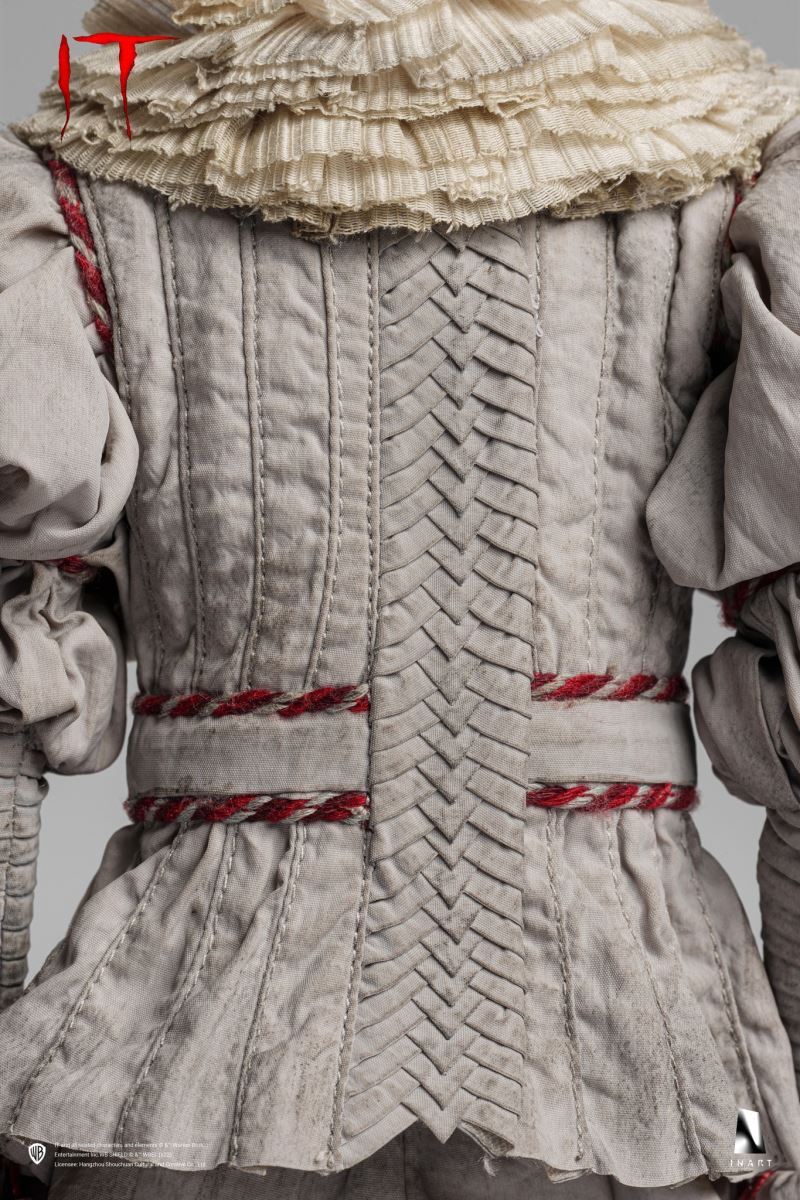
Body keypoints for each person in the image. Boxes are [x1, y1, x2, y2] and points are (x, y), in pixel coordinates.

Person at [0, 0, 799, 1196]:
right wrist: (777, 1096)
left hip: (173, 1065)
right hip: (642, 1066)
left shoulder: (95, 159)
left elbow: (11, 693)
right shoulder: (718, 157)